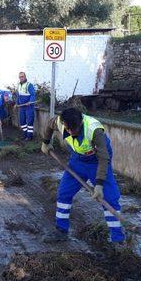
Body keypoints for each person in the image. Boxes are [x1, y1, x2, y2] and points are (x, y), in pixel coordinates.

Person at [40, 108, 125, 244]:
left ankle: (118, 239)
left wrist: (99, 184)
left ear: (80, 123)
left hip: (97, 161)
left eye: (74, 129)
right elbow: (49, 125)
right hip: (77, 161)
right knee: (63, 193)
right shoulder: (61, 122)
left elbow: (104, 158)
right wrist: (45, 142)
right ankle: (61, 230)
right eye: (69, 129)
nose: (72, 132)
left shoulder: (94, 130)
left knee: (109, 198)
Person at [16, 72, 36, 140]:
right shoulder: (18, 85)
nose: (21, 78)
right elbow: (18, 95)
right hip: (21, 107)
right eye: (20, 77)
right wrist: (17, 103)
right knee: (22, 122)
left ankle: (29, 136)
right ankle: (25, 135)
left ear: (25, 77)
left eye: (22, 76)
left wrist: (30, 102)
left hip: (29, 107)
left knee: (30, 121)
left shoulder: (29, 85)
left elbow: (33, 94)